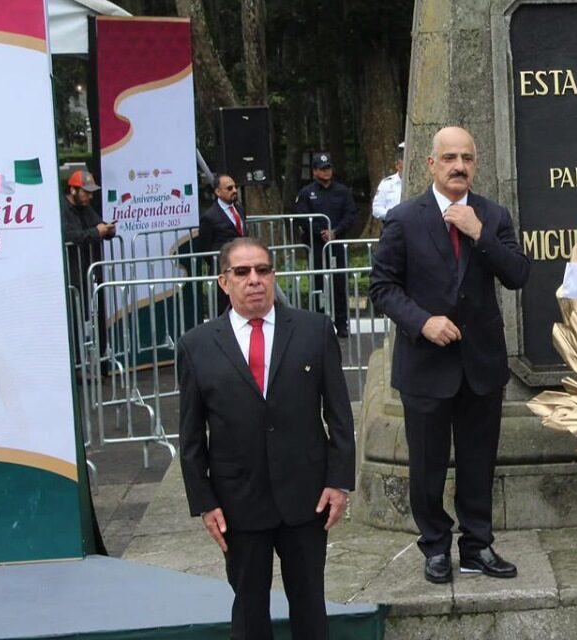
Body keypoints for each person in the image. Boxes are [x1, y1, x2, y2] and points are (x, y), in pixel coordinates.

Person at [369, 126, 530, 583]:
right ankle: (435, 546)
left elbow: (518, 274)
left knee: (479, 462)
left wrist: (481, 235)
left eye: (467, 158)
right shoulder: (404, 219)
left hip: (481, 365)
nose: (459, 166)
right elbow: (382, 288)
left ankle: (477, 545)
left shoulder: (493, 215)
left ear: (475, 164)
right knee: (427, 465)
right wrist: (423, 322)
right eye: (450, 158)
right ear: (431, 164)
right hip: (425, 366)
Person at [178, 237, 354, 639]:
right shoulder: (197, 346)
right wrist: (205, 502)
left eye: (263, 270)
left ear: (274, 276)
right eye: (242, 272)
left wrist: (339, 481)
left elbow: (340, 414)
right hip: (237, 502)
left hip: (306, 496)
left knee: (310, 605)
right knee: (249, 609)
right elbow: (191, 435)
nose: (254, 280)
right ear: (224, 282)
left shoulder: (313, 330)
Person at [295, 153, 356, 337]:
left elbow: (350, 214)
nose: (326, 171)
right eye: (322, 169)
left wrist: (335, 232)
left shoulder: (342, 191)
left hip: (337, 244)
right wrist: (321, 232)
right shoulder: (306, 193)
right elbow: (303, 217)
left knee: (339, 283)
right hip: (316, 246)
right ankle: (320, 324)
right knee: (318, 284)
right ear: (314, 171)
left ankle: (342, 323)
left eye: (328, 167)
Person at [61, 170, 114, 362]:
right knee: (73, 320)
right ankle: (76, 364)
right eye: (86, 192)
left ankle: (95, 361)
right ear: (73, 190)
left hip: (87, 272)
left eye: (91, 192)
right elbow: (69, 235)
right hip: (72, 274)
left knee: (91, 316)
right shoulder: (61, 209)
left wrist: (108, 230)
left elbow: (98, 225)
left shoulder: (85, 208)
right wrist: (96, 232)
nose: (90, 196)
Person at [199, 174, 246, 314]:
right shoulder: (210, 216)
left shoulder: (239, 209)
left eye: (235, 187)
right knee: (225, 306)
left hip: (242, 263)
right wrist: (218, 262)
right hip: (224, 267)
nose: (234, 190)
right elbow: (205, 246)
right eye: (229, 188)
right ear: (218, 192)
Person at [371, 141, 404, 222]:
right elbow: (376, 209)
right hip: (393, 224)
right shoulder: (387, 184)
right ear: (397, 165)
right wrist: (392, 215)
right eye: (402, 162)